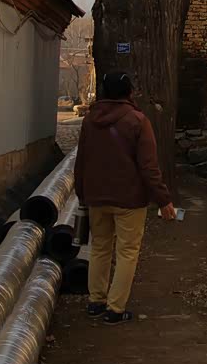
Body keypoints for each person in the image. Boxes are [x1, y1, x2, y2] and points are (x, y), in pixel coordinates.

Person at [74, 71, 177, 324]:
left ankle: (96, 302)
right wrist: (163, 200)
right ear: (129, 92)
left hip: (96, 197)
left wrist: (82, 193)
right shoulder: (137, 121)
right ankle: (115, 309)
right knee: (127, 252)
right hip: (129, 199)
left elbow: (81, 161)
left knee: (99, 248)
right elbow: (149, 167)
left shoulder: (89, 120)